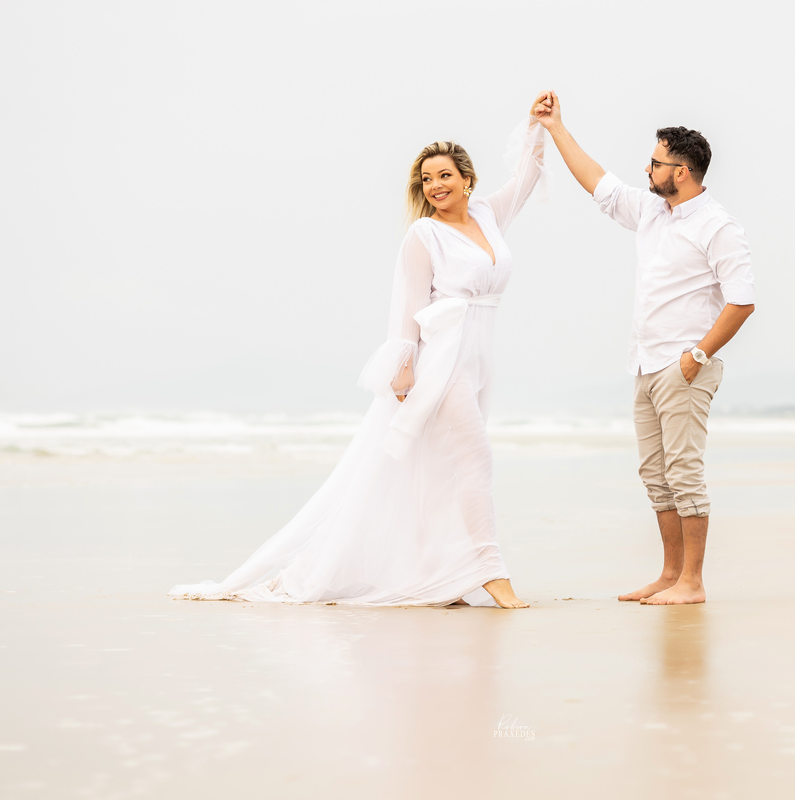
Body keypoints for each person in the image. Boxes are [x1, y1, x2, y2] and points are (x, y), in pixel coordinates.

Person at [169, 93, 554, 608]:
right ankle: (490, 571)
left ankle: (438, 577)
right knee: (474, 458)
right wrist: (403, 368)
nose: (435, 186)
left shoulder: (487, 216)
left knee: (440, 470)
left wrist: (537, 125)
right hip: (442, 360)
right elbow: (409, 307)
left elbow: (526, 178)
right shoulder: (424, 234)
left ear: (468, 179)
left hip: (480, 359)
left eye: (444, 175)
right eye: (426, 179)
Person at [532, 91, 755, 605]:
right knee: (656, 476)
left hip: (684, 367)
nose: (647, 169)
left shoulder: (718, 226)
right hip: (644, 364)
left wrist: (696, 357)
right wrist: (556, 127)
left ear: (682, 172)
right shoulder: (653, 211)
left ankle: (693, 583)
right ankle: (670, 574)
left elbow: (741, 302)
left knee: (684, 474)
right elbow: (597, 181)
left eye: (655, 163)